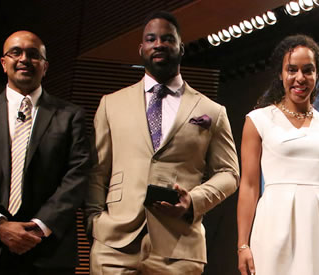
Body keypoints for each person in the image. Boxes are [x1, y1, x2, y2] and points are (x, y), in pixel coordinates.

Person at [85, 11, 239, 275]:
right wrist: (94, 220)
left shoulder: (211, 110)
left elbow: (229, 174)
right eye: (151, 39)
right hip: (114, 245)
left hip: (180, 246)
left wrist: (193, 200)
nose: (158, 44)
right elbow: (97, 171)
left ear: (180, 48)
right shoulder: (110, 104)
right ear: (141, 48)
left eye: (167, 39)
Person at [0, 30, 91, 274]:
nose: (24, 59)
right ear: (4, 64)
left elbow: (77, 177)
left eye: (33, 54)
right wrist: (0, 225)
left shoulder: (71, 116)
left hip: (47, 249)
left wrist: (38, 227)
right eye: (16, 52)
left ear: (45, 67)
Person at [237, 34, 319, 275]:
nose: (299, 78)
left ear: (317, 75)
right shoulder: (258, 120)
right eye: (292, 70)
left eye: (307, 70)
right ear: (281, 74)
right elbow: (249, 186)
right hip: (275, 226)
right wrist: (243, 245)